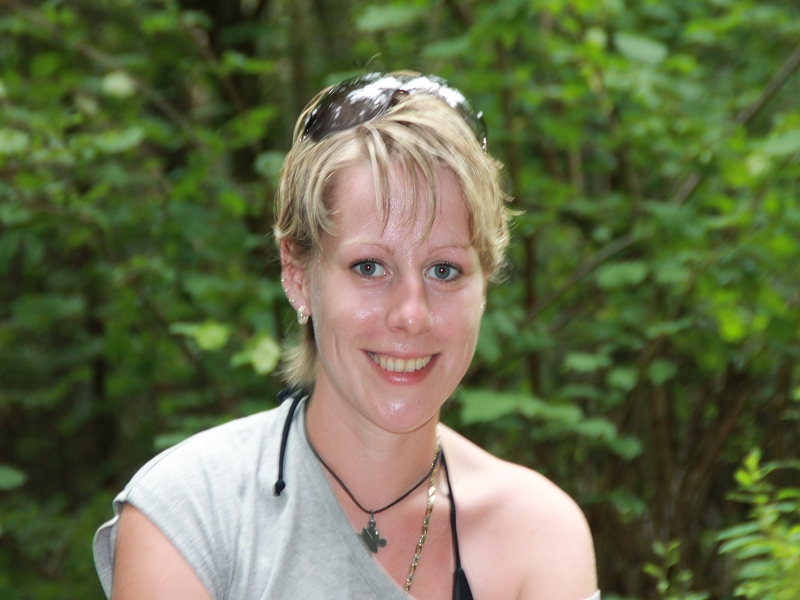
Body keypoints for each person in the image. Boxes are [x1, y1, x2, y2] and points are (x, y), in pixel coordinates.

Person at [94, 71, 600, 600]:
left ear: (485, 285)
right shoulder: (190, 515)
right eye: (369, 267)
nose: (411, 314)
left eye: (444, 270)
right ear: (298, 275)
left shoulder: (538, 538)